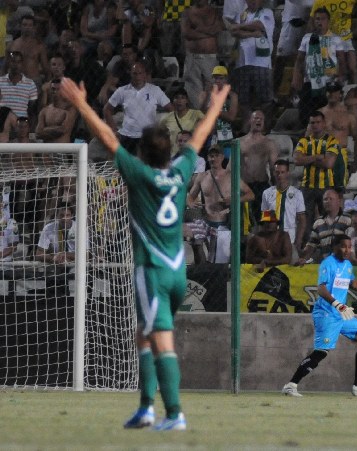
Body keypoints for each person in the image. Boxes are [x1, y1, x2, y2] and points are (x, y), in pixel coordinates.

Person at [59, 74, 231, 430]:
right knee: (146, 335)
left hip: (151, 271)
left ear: (142, 152)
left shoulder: (138, 174)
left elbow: (108, 138)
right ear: (169, 151)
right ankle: (145, 408)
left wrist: (79, 104)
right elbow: (198, 139)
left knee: (162, 341)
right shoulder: (183, 171)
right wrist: (214, 108)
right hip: (177, 271)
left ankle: (174, 413)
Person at [282, 234, 357, 397]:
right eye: (344, 246)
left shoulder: (347, 264)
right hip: (326, 313)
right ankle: (291, 385)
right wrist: (337, 304)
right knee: (321, 352)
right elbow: (321, 288)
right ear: (335, 247)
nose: (347, 250)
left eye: (349, 246)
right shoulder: (328, 264)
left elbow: (353, 283)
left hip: (341, 314)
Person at [187, 145, 256, 263]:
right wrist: (191, 205)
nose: (213, 159)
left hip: (224, 222)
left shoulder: (231, 176)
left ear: (222, 157)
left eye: (216, 155)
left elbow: (251, 194)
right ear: (208, 158)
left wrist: (234, 199)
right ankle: (203, 273)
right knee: (197, 245)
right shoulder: (202, 176)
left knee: (219, 259)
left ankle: (217, 274)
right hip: (205, 220)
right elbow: (190, 197)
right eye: (211, 156)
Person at [103, 61, 173, 153]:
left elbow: (171, 110)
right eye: (135, 73)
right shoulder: (122, 91)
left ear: (145, 74)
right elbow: (107, 109)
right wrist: (114, 129)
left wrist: (164, 128)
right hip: (127, 137)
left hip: (147, 137)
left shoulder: (155, 90)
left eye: (140, 73)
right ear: (130, 74)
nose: (138, 76)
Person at [293, 7, 345, 127]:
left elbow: (342, 61)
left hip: (328, 82)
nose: (319, 21)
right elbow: (299, 59)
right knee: (306, 114)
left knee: (325, 113)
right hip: (309, 81)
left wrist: (341, 76)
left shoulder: (336, 39)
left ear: (328, 21)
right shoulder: (307, 38)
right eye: (317, 19)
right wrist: (296, 76)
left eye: (322, 19)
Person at [294, 110, 341, 240]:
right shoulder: (304, 141)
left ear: (324, 123)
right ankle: (306, 248)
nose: (315, 125)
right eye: (312, 122)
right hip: (306, 186)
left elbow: (329, 163)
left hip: (325, 186)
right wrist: (317, 157)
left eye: (318, 122)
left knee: (327, 218)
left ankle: (326, 245)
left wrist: (308, 159)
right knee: (304, 220)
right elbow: (297, 160)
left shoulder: (332, 141)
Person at [230, 0, 275, 131]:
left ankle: (266, 129)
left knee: (265, 100)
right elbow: (234, 33)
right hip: (242, 62)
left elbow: (259, 25)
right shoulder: (241, 14)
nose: (253, 1)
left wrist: (239, 26)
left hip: (261, 63)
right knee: (244, 100)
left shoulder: (267, 12)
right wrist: (251, 33)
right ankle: (246, 129)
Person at [181, 0, 224, 109]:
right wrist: (208, 33)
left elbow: (218, 29)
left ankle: (211, 121)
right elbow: (187, 33)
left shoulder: (214, 11)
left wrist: (199, 30)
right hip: (192, 58)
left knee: (213, 91)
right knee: (193, 94)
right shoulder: (187, 12)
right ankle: (197, 121)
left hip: (210, 58)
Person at [238, 109, 278, 219]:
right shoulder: (240, 142)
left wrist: (276, 187)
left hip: (262, 185)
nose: (259, 120)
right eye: (256, 118)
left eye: (261, 119)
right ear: (250, 121)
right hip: (245, 186)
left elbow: (274, 167)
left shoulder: (269, 143)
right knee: (246, 222)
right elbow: (230, 168)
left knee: (267, 220)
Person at [262, 159, 307, 252]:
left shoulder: (296, 193)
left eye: (282, 172)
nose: (279, 175)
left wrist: (298, 241)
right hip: (273, 238)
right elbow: (266, 220)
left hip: (291, 237)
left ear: (288, 173)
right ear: (273, 173)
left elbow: (302, 220)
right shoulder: (267, 193)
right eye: (277, 172)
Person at [297, 188, 351, 264]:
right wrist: (303, 258)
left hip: (344, 263)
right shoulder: (318, 223)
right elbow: (311, 245)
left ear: (338, 201)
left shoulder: (348, 220)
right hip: (327, 264)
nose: (328, 201)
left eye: (331, 199)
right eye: (325, 199)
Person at [318, 82, 357, 181]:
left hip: (340, 153)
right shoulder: (319, 113)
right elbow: (307, 137)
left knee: (338, 189)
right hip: (321, 153)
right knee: (320, 188)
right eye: (329, 91)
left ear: (340, 94)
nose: (331, 94)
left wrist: (355, 161)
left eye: (335, 91)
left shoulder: (348, 115)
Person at [198, 66, 239, 160]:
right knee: (210, 162)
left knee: (227, 163)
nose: (218, 81)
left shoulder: (232, 95)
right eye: (216, 78)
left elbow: (231, 117)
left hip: (226, 134)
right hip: (210, 135)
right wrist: (208, 94)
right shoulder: (205, 94)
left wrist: (214, 110)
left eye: (221, 78)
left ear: (226, 79)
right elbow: (201, 111)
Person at [159, 88, 204, 156]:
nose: (179, 101)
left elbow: (209, 125)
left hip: (190, 155)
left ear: (187, 101)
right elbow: (160, 136)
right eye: (176, 98)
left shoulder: (196, 114)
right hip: (173, 156)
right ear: (173, 101)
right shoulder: (166, 118)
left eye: (182, 98)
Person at [7, 14, 50, 86]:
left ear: (33, 27)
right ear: (20, 26)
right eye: (25, 25)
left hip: (33, 81)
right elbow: (5, 67)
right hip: (15, 82)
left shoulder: (39, 46)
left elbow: (46, 69)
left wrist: (47, 85)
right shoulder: (12, 45)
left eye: (30, 25)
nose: (27, 28)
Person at [36, 78, 78, 143]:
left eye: (58, 89)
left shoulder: (70, 108)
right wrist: (56, 129)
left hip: (62, 150)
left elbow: (63, 129)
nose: (55, 92)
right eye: (53, 89)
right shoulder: (45, 110)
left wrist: (45, 129)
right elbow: (38, 133)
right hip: (47, 150)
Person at [0, 50, 38, 123]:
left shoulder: (30, 84)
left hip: (22, 126)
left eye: (19, 62)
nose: (16, 65)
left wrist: (31, 134)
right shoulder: (0, 82)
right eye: (13, 61)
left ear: (22, 64)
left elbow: (32, 112)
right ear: (9, 63)